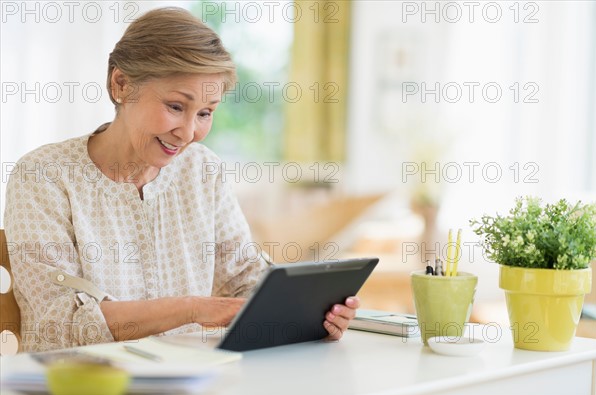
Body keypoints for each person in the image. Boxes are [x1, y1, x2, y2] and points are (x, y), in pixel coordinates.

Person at [4, 7, 359, 353]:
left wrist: (308, 314)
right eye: (175, 106)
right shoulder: (44, 176)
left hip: (193, 382)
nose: (189, 132)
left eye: (205, 113)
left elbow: (245, 280)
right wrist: (192, 308)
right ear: (121, 84)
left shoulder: (202, 170)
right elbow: (59, 323)